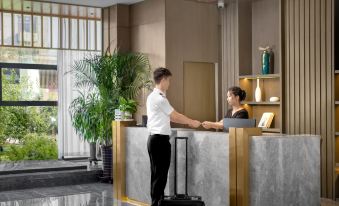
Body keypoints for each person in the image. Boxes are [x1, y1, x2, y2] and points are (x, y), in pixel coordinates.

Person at [146, 67, 201, 206]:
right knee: (160, 176)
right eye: (168, 80)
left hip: (154, 140)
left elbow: (172, 114)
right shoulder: (159, 99)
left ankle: (157, 202)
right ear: (163, 80)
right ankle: (156, 203)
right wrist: (191, 122)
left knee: (157, 175)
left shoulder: (153, 97)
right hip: (159, 141)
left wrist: (189, 121)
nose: (169, 84)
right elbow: (175, 117)